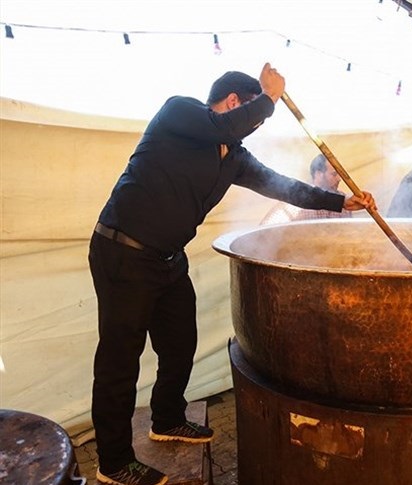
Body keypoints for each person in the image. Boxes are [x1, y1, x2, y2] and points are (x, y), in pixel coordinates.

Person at [88, 64, 376, 485]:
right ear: (234, 102)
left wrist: (340, 202)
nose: (255, 126)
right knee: (120, 360)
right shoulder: (179, 114)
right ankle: (114, 461)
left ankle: (167, 417)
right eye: (253, 115)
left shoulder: (233, 157)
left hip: (168, 259)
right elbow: (226, 124)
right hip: (123, 252)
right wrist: (271, 98)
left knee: (180, 342)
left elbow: (281, 186)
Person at [293, 154, 353, 220]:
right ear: (318, 174)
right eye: (334, 174)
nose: (339, 179)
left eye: (339, 174)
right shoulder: (301, 202)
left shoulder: (343, 198)